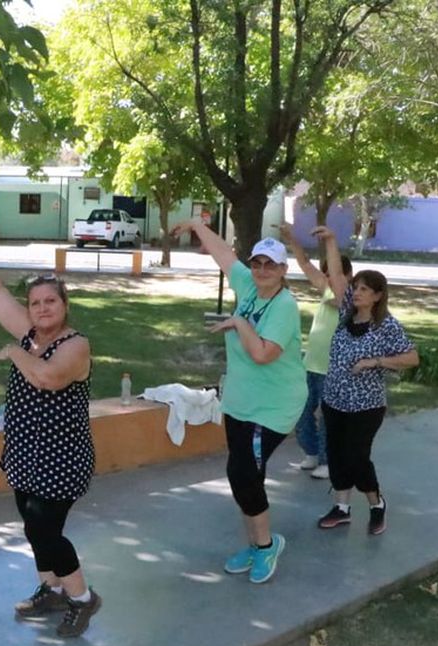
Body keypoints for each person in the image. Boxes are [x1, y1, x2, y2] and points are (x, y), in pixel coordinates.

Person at [0, 236, 101, 637]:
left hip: (62, 459)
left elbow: (47, 377)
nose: (42, 308)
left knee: (45, 530)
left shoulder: (75, 345)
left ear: (65, 305)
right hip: (26, 452)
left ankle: (82, 598)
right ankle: (52, 588)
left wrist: (13, 351)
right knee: (32, 526)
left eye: (51, 301)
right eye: (35, 303)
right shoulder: (30, 335)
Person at [171, 220, 307, 584]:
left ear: (283, 269)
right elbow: (224, 254)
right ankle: (255, 543)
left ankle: (266, 546)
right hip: (240, 401)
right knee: (246, 474)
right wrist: (198, 225)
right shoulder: (248, 285)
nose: (261, 270)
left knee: (242, 474)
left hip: (273, 407)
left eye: (270, 265)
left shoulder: (284, 306)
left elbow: (263, 354)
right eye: (257, 263)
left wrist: (238, 323)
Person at [313, 229, 419, 536]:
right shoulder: (346, 314)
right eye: (356, 287)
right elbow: (336, 275)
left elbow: (412, 358)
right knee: (336, 455)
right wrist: (331, 241)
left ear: (377, 295)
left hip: (366, 406)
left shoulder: (386, 325)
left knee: (357, 457)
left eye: (364, 289)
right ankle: (342, 508)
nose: (356, 292)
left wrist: (376, 362)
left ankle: (376, 505)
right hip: (334, 401)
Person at [278, 223, 353, 481]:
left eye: (334, 274)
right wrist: (292, 239)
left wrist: (331, 241)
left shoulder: (350, 300)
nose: (329, 278)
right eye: (326, 274)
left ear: (348, 276)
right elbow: (305, 264)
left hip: (332, 371)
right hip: (309, 365)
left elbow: (337, 277)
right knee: (302, 412)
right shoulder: (326, 290)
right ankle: (311, 452)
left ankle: (327, 460)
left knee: (327, 418)